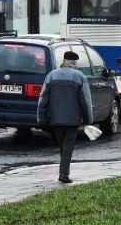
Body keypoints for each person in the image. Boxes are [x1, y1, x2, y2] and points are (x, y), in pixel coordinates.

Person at [37, 50, 93, 183]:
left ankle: (63, 171)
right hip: (73, 119)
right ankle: (63, 174)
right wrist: (88, 120)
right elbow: (86, 101)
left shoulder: (51, 76)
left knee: (62, 145)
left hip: (56, 118)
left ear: (64, 61)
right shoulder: (80, 76)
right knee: (68, 146)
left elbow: (43, 99)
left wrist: (41, 118)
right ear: (74, 62)